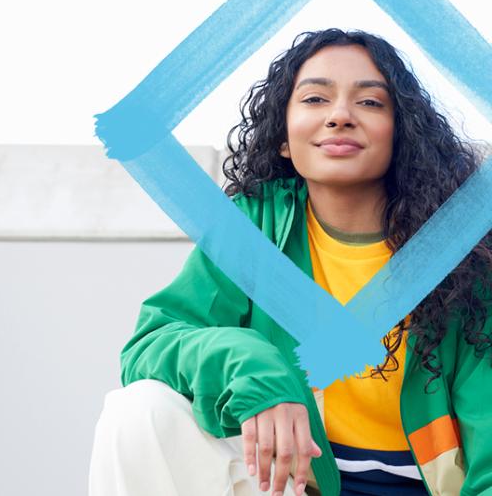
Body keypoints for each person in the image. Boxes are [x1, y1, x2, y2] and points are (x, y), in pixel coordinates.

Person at [88, 28, 492, 496]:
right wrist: (254, 366)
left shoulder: (461, 251)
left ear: (403, 135)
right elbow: (148, 349)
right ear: (283, 137)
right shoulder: (254, 228)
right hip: (293, 483)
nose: (340, 116)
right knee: (139, 411)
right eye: (316, 99)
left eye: (370, 103)